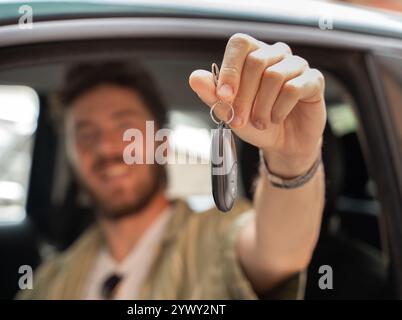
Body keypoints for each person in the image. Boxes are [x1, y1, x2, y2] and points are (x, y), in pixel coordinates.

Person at [18, 34, 326, 300]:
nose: (106, 148)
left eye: (125, 128)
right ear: (70, 154)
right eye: (86, 134)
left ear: (161, 141)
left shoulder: (213, 234)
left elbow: (279, 252)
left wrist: (293, 159)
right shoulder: (49, 280)